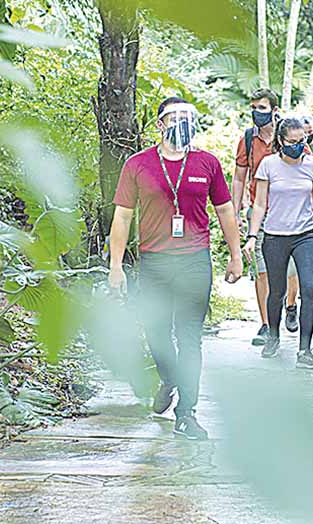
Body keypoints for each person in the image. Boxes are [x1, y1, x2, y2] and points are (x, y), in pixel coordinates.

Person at [108, 97, 243, 440]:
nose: (182, 122)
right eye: (175, 117)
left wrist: (235, 254)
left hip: (194, 261)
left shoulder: (207, 163)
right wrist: (116, 266)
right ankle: (169, 377)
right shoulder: (138, 164)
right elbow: (123, 216)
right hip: (154, 261)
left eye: (188, 117)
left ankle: (187, 413)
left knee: (190, 338)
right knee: (155, 331)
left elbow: (226, 211)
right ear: (160, 124)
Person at [243, 115, 313, 369]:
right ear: (281, 141)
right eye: (292, 141)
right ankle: (273, 335)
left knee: (308, 289)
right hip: (274, 236)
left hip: (305, 235)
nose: (297, 145)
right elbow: (260, 204)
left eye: (301, 140)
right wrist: (252, 237)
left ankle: (304, 350)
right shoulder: (268, 165)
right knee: (277, 292)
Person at [232, 88, 301, 345]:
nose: (255, 112)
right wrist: (237, 210)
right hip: (258, 213)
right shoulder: (248, 139)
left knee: (291, 271)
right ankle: (265, 324)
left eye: (261, 107)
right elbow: (240, 177)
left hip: (289, 213)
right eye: (253, 107)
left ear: (274, 110)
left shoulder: (288, 135)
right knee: (262, 271)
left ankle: (290, 305)